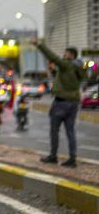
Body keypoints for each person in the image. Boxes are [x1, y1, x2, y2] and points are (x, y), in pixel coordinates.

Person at [35, 39, 88, 167]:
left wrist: (39, 45)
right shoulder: (78, 66)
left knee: (54, 130)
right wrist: (54, 72)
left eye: (66, 53)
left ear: (71, 55)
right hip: (73, 103)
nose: (64, 55)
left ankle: (53, 156)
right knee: (70, 131)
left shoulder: (67, 64)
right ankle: (72, 159)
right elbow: (65, 80)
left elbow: (52, 57)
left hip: (61, 103)